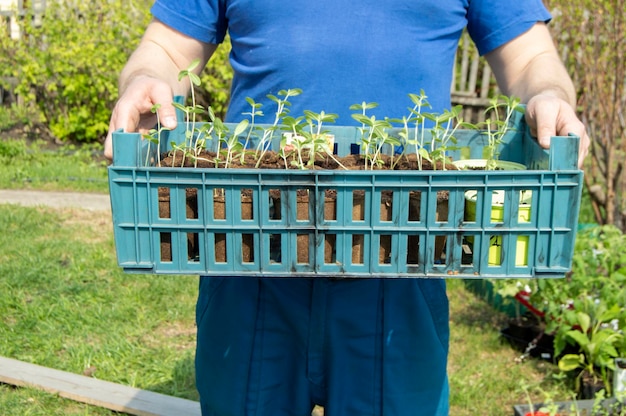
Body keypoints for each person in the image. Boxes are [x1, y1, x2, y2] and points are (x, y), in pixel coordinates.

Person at [105, 1, 590, 415]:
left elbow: (530, 58)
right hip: (249, 252)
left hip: (403, 261)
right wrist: (145, 78)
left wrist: (550, 93)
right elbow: (167, 49)